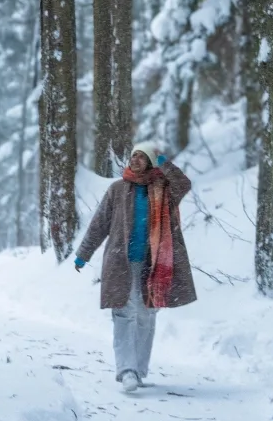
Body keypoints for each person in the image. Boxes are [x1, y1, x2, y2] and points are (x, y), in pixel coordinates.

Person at [73, 142, 196, 393]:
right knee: (125, 313)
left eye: (141, 156)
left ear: (151, 161)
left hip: (155, 264)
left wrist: (164, 162)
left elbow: (184, 184)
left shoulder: (164, 189)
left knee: (147, 315)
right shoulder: (117, 189)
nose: (135, 159)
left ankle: (139, 371)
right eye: (133, 156)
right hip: (122, 262)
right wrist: (83, 254)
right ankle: (126, 370)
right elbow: (99, 224)